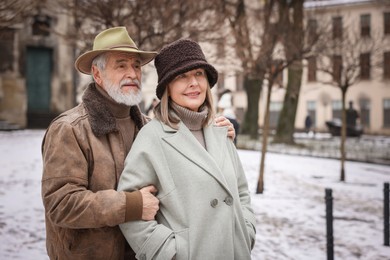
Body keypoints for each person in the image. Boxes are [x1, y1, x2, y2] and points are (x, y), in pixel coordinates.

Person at [41, 27, 235, 260]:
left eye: (136, 66)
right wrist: (130, 204)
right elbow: (60, 204)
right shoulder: (70, 128)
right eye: (121, 65)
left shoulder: (148, 127)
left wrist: (217, 139)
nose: (132, 73)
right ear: (97, 73)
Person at [117, 38, 256, 260]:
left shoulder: (221, 131)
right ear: (167, 88)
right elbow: (131, 212)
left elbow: (241, 192)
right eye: (182, 76)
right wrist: (170, 253)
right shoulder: (152, 138)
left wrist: (246, 230)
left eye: (199, 74)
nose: (193, 83)